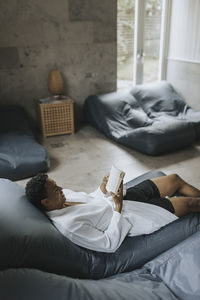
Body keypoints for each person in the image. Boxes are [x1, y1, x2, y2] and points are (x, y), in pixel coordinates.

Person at [25, 173, 200, 253]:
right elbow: (108, 244)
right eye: (55, 189)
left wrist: (102, 187)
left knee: (174, 179)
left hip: (127, 197)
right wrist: (117, 208)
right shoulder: (69, 225)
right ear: (46, 202)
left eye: (57, 185)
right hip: (133, 216)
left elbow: (92, 198)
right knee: (191, 204)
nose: (61, 188)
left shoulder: (64, 196)